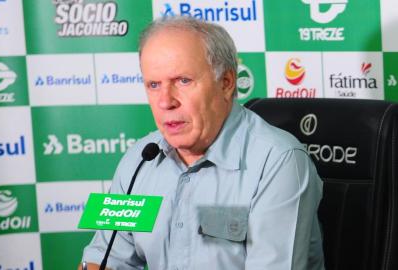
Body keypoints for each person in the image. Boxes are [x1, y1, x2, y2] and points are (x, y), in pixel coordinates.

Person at [80, 16, 324, 270]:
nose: (166, 101)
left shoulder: (277, 162)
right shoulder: (139, 160)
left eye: (183, 81)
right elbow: (104, 259)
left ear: (226, 83)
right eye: (154, 85)